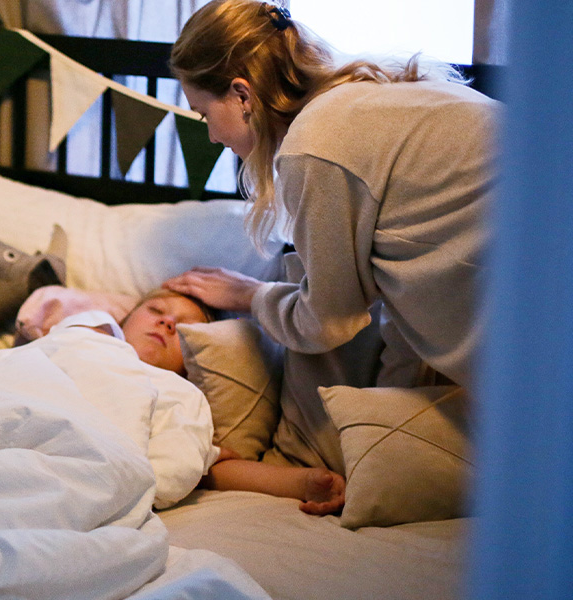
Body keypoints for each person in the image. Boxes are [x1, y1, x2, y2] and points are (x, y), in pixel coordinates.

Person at [162, 0, 498, 492]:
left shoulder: (314, 146)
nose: (210, 135)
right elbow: (406, 305)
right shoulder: (377, 95)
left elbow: (329, 322)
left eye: (203, 113)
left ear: (241, 94)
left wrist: (249, 296)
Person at [24, 287, 346, 515]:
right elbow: (41, 359)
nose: (167, 323)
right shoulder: (91, 334)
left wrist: (305, 482)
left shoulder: (178, 401)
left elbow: (208, 468)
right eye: (156, 310)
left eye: (184, 327)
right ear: (124, 321)